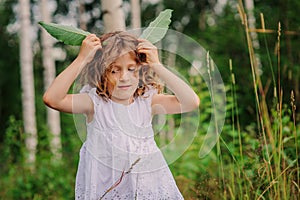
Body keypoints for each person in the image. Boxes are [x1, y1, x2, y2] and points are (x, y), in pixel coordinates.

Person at [43, 31, 200, 199]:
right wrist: (82, 59)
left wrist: (157, 65)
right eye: (114, 71)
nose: (124, 77)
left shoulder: (147, 102)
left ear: (140, 70)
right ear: (101, 73)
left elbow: (191, 102)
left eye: (131, 69)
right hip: (107, 188)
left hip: (147, 186)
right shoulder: (94, 104)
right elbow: (52, 99)